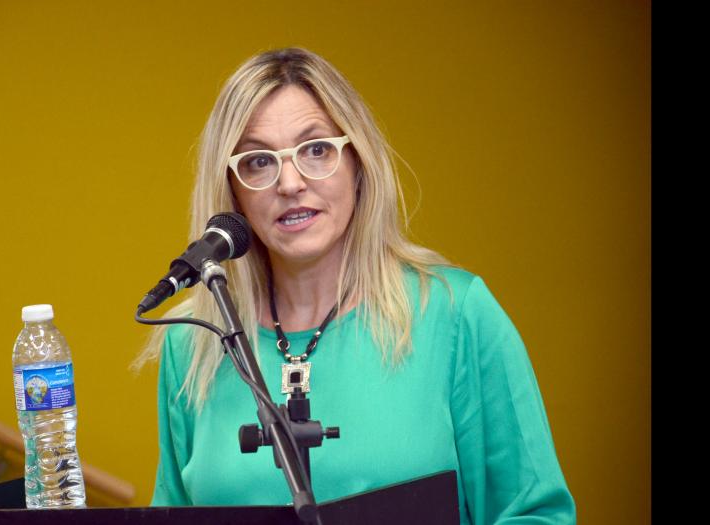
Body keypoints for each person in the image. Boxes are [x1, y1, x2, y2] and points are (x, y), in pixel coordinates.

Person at [133, 47, 576, 524]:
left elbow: (536, 514)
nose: (290, 182)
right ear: (232, 190)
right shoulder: (193, 342)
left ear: (358, 162)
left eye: (316, 149)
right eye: (259, 161)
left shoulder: (454, 314)